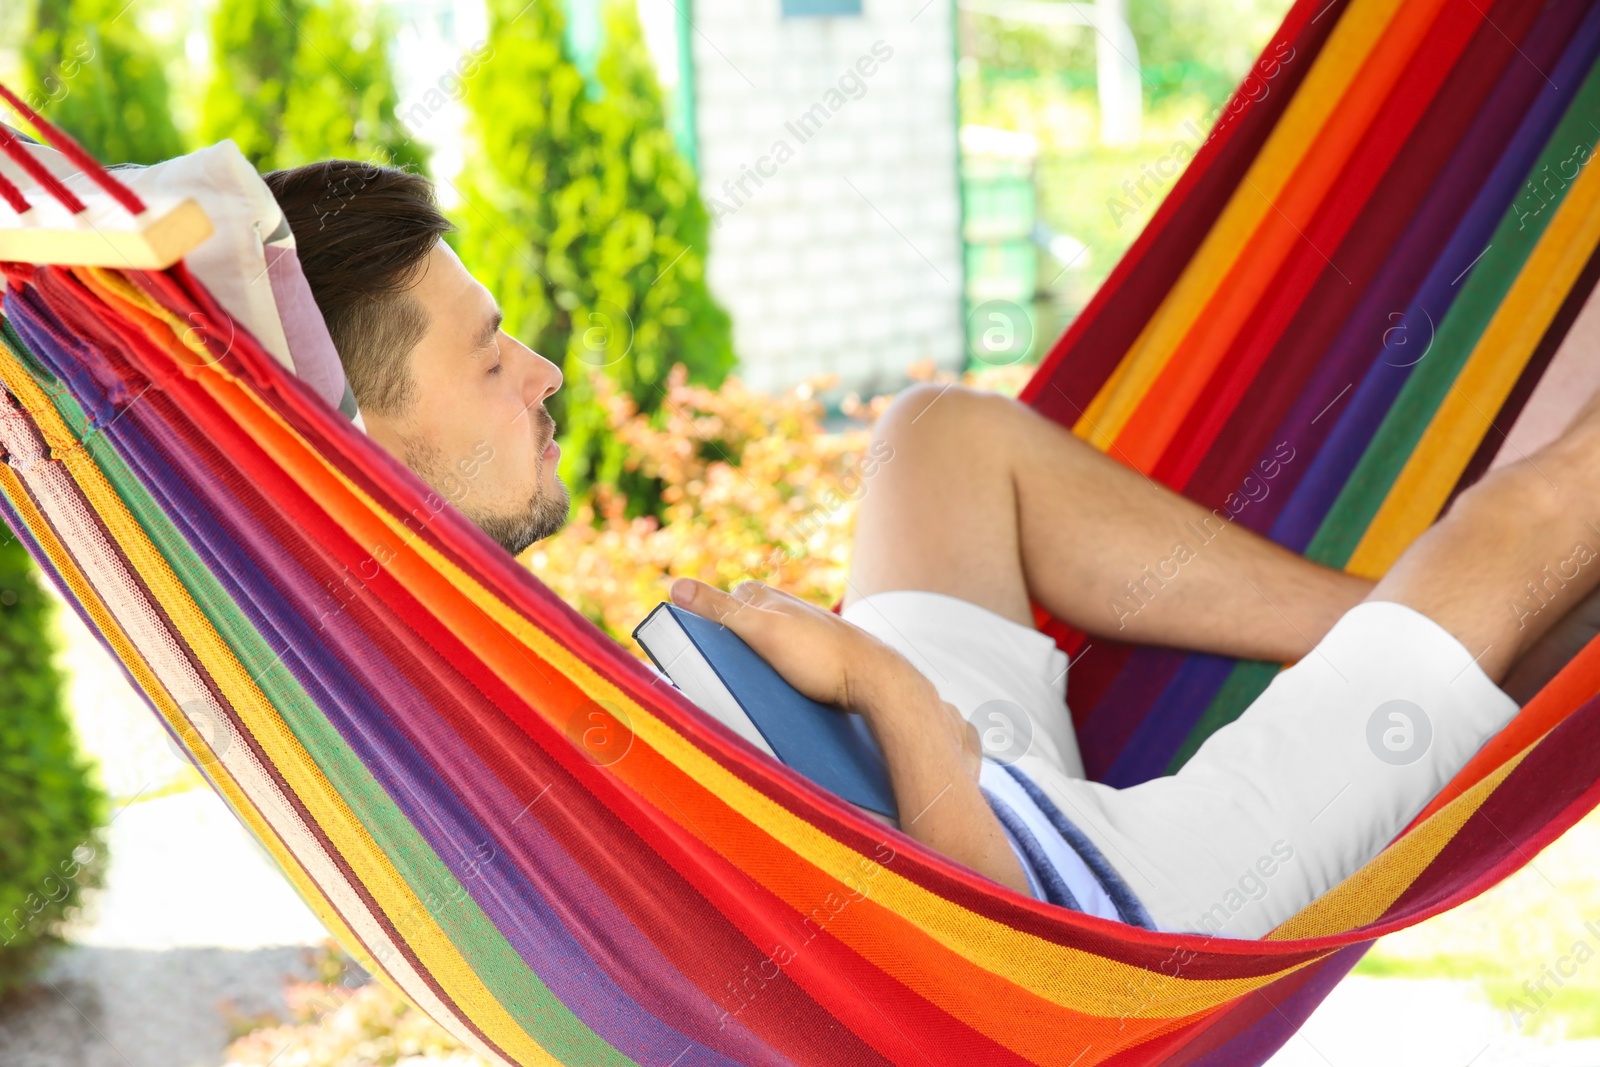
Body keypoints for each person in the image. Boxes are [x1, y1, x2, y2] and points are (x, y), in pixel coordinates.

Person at [264, 160, 1597, 939]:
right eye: (492, 359)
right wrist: (883, 689)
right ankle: (1468, 616)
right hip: (1106, 908)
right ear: (361, 435)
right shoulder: (502, 773)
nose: (545, 372)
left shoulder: (412, 653)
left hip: (961, 793)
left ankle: (1427, 635)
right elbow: (987, 979)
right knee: (1519, 518)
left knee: (940, 439)